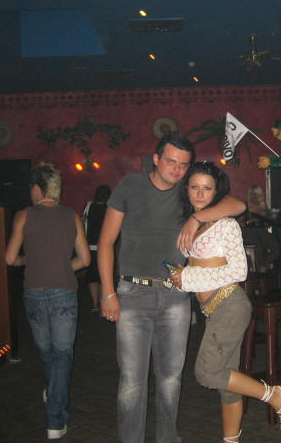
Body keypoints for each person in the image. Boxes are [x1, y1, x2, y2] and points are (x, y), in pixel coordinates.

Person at [98, 132, 246, 443]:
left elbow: (237, 204)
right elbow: (106, 242)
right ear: (156, 159)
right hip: (132, 294)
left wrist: (195, 218)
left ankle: (168, 438)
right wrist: (107, 292)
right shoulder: (130, 186)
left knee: (170, 379)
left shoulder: (189, 192)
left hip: (175, 295)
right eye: (170, 161)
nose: (177, 169)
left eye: (183, 165)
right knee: (132, 382)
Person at [171, 161, 281, 443]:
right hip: (213, 309)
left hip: (229, 304)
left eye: (207, 188)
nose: (200, 194)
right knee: (227, 384)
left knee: (206, 372)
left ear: (216, 192)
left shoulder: (226, 225)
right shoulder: (194, 224)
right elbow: (200, 266)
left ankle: (274, 395)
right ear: (186, 189)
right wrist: (181, 275)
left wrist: (188, 277)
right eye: (194, 187)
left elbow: (239, 272)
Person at [5, 162, 90, 440]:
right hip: (64, 290)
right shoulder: (71, 216)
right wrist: (63, 267)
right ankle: (55, 418)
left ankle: (53, 403)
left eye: (31, 188)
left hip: (33, 291)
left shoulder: (23, 216)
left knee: (47, 352)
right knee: (62, 354)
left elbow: (10, 258)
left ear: (37, 188)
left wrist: (27, 260)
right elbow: (84, 260)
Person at [82, 184, 111, 312]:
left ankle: (95, 305)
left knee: (92, 278)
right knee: (103, 278)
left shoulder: (88, 206)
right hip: (105, 249)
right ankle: (103, 305)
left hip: (90, 248)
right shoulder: (109, 209)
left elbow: (83, 223)